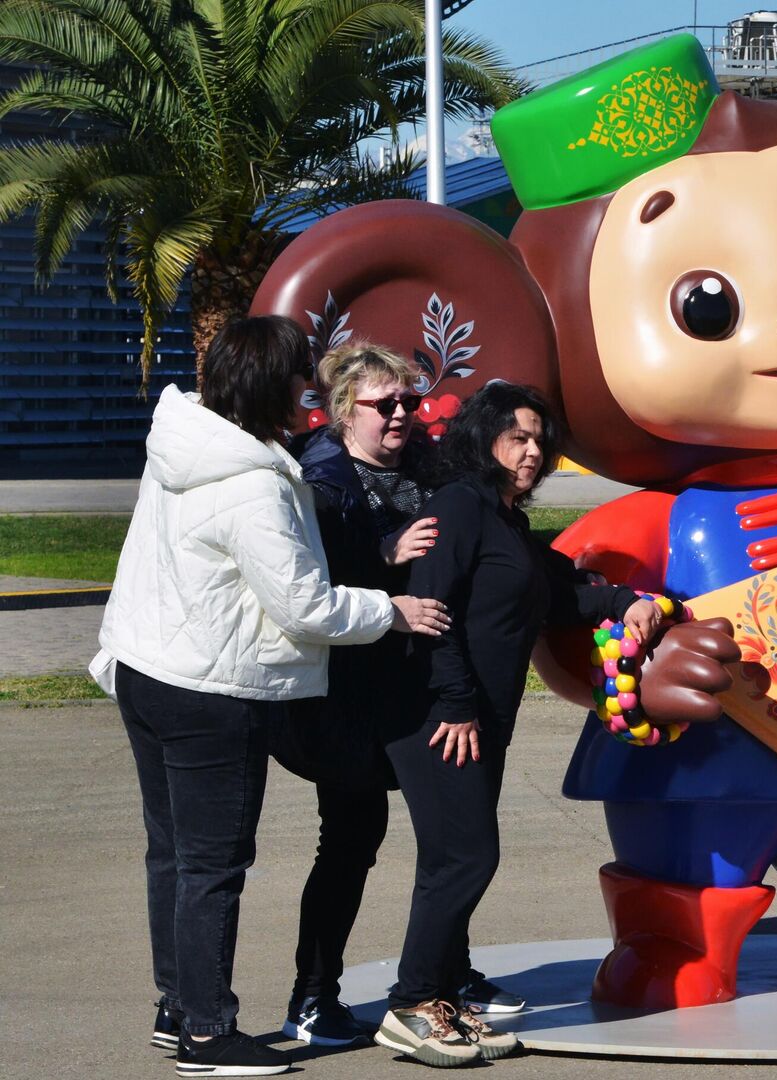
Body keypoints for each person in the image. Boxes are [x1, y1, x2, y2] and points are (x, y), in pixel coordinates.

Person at [91, 315, 449, 1078]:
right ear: (271, 384)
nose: (309, 398)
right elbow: (305, 607)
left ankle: (179, 1006)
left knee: (174, 855)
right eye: (301, 381)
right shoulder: (255, 481)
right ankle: (209, 1034)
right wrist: (392, 609)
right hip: (210, 691)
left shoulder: (183, 443)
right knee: (214, 864)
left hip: (144, 670)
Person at [375, 382, 670, 1068]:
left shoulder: (503, 518)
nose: (532, 450)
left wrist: (628, 600)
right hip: (439, 717)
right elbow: (429, 609)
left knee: (451, 860)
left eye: (540, 439)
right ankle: (413, 1005)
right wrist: (453, 704)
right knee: (467, 858)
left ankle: (442, 996)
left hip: (480, 716)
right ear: (483, 439)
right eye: (518, 437)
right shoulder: (459, 507)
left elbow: (558, 594)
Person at [276, 343, 441, 1047]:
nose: (402, 414)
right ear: (346, 412)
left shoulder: (426, 466)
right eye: (385, 404)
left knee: (451, 838)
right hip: (344, 698)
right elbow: (305, 580)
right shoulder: (322, 480)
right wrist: (384, 558)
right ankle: (313, 998)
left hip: (417, 686)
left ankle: (445, 978)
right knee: (349, 841)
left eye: (409, 400)